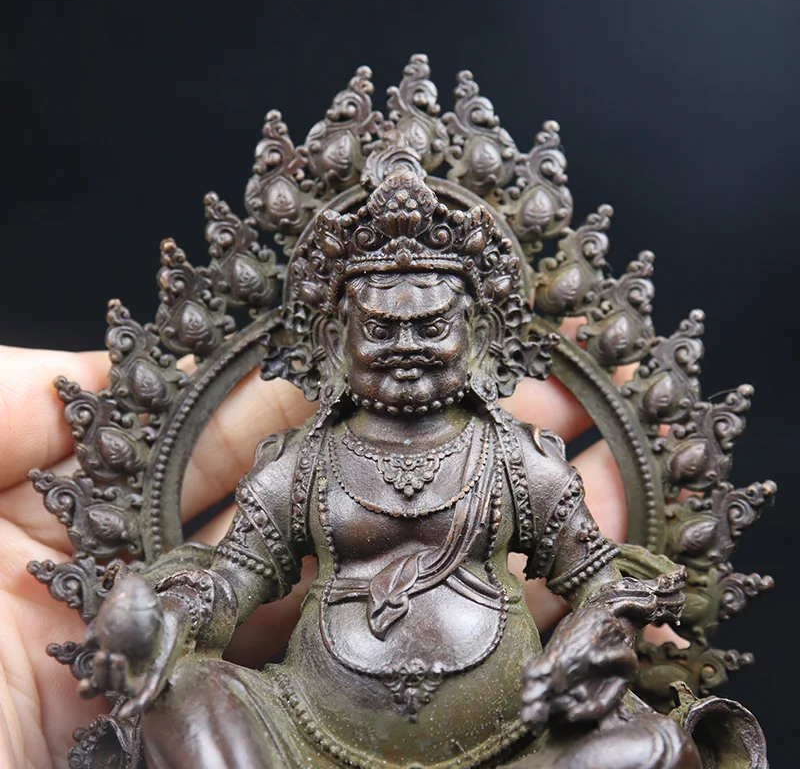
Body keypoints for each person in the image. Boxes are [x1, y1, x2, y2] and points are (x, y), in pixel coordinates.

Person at [0, 171, 698, 769]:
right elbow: (234, 579)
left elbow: (602, 579)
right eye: (381, 329)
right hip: (306, 733)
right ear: (335, 339)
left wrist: (598, 633)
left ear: (478, 335)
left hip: (515, 736)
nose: (406, 346)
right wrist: (171, 615)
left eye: (432, 327)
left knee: (651, 745)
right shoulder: (302, 463)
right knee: (185, 696)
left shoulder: (518, 459)